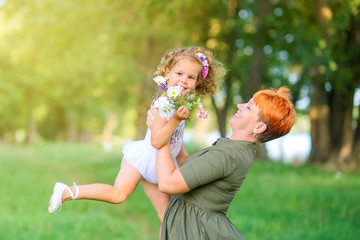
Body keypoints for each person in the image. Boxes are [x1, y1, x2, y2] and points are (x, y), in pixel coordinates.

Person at [48, 46, 224, 226]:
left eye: (190, 77)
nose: (183, 80)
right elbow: (156, 140)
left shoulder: (180, 104)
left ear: (196, 84)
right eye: (179, 73)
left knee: (167, 218)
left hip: (160, 169)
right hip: (142, 160)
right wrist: (176, 119)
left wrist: (189, 165)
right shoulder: (164, 102)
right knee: (118, 194)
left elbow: (176, 143)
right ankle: (67, 191)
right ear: (168, 73)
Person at [152, 87, 297, 240]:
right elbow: (186, 166)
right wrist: (171, 127)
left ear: (259, 127)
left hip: (199, 232)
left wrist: (159, 133)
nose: (240, 106)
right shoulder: (236, 149)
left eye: (248, 107)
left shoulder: (228, 155)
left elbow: (167, 184)